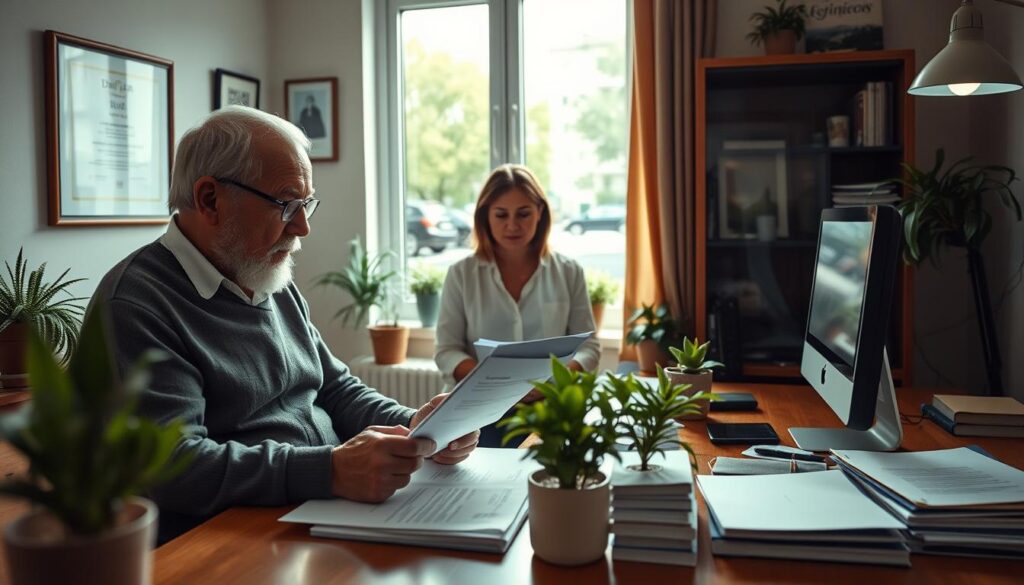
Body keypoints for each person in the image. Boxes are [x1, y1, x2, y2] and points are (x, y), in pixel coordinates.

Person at [88, 105, 479, 543]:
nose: (304, 226)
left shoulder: (264, 272)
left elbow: (333, 387)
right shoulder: (137, 303)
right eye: (287, 203)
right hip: (230, 537)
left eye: (306, 203)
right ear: (210, 199)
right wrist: (329, 470)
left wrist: (417, 428)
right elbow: (175, 465)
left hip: (315, 509)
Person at [433, 164, 600, 448]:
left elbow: (589, 348)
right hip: (477, 413)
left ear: (540, 214)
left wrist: (553, 380)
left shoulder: (569, 272)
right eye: (501, 215)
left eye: (523, 214)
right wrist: (497, 386)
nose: (513, 225)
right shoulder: (461, 274)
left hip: (550, 409)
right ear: (485, 217)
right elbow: (447, 351)